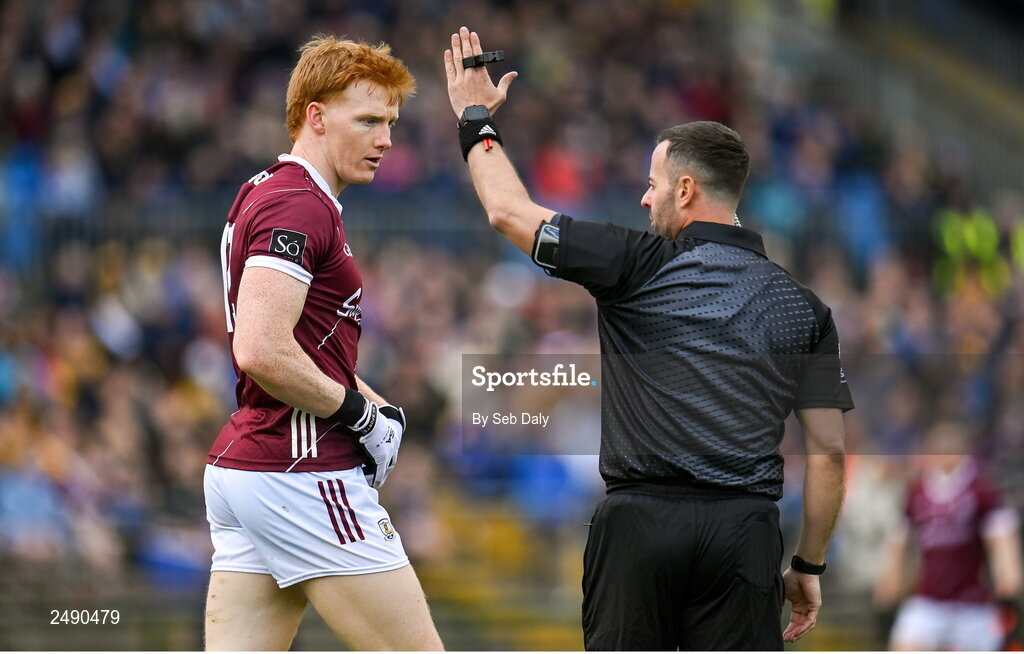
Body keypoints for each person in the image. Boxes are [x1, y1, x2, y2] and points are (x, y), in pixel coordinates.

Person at [444, 26, 853, 650]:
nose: (643, 197)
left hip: (639, 527)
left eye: (653, 184)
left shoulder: (634, 261)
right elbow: (827, 453)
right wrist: (808, 566)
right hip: (745, 535)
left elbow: (508, 212)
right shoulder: (804, 308)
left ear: (685, 190)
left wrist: (475, 119)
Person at [202, 36, 443, 651]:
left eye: (390, 121)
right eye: (367, 120)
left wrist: (373, 403)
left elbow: (302, 344)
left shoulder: (276, 191)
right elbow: (259, 348)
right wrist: (358, 415)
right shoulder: (299, 204)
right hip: (302, 470)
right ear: (315, 116)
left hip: (252, 464)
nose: (385, 138)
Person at [874, 421, 1022, 651]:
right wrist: (890, 579)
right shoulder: (917, 491)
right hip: (928, 600)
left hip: (972, 604)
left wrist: (1008, 574)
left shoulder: (981, 490)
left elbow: (1001, 536)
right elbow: (899, 537)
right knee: (904, 645)